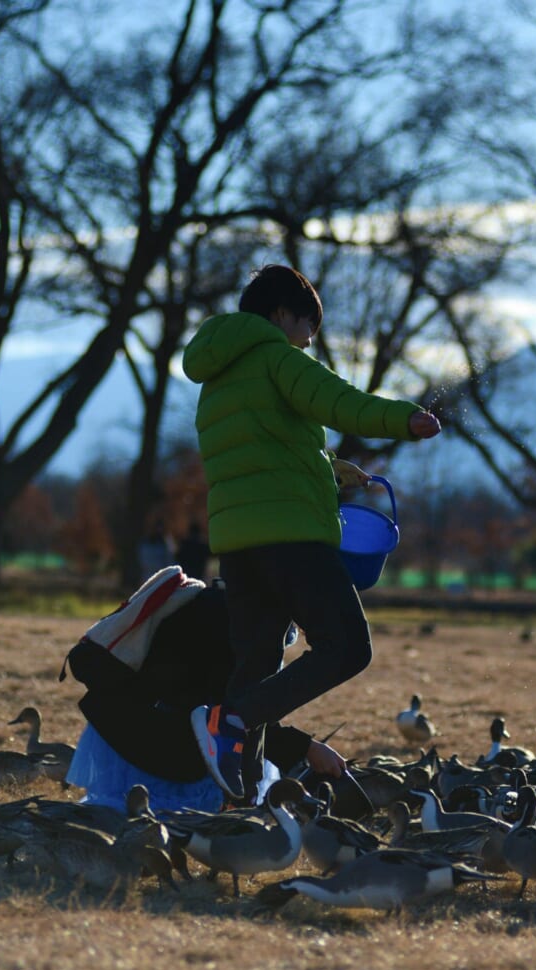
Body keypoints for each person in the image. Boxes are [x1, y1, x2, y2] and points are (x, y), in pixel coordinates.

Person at [181, 263, 440, 801]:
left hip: (239, 545)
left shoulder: (218, 379)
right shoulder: (278, 358)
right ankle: (229, 722)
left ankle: (243, 800)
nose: (309, 340)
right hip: (290, 540)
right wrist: (405, 420)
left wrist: (332, 468)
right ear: (281, 315)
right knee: (347, 647)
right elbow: (341, 401)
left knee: (254, 665)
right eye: (308, 326)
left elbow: (264, 452)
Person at [64, 574, 346, 813]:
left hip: (121, 726)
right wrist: (306, 748)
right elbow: (230, 718)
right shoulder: (245, 630)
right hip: (157, 746)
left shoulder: (219, 600)